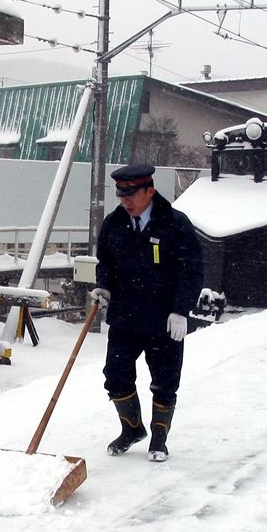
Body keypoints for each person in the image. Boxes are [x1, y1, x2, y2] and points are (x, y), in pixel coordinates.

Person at [90, 164, 203, 462]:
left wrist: (181, 310)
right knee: (115, 376)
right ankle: (132, 429)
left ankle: (160, 439)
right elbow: (106, 263)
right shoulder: (114, 224)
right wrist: (104, 287)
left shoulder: (175, 224)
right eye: (120, 195)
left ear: (149, 191)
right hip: (125, 317)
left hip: (164, 319)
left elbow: (191, 271)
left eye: (131, 194)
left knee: (164, 381)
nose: (124, 201)